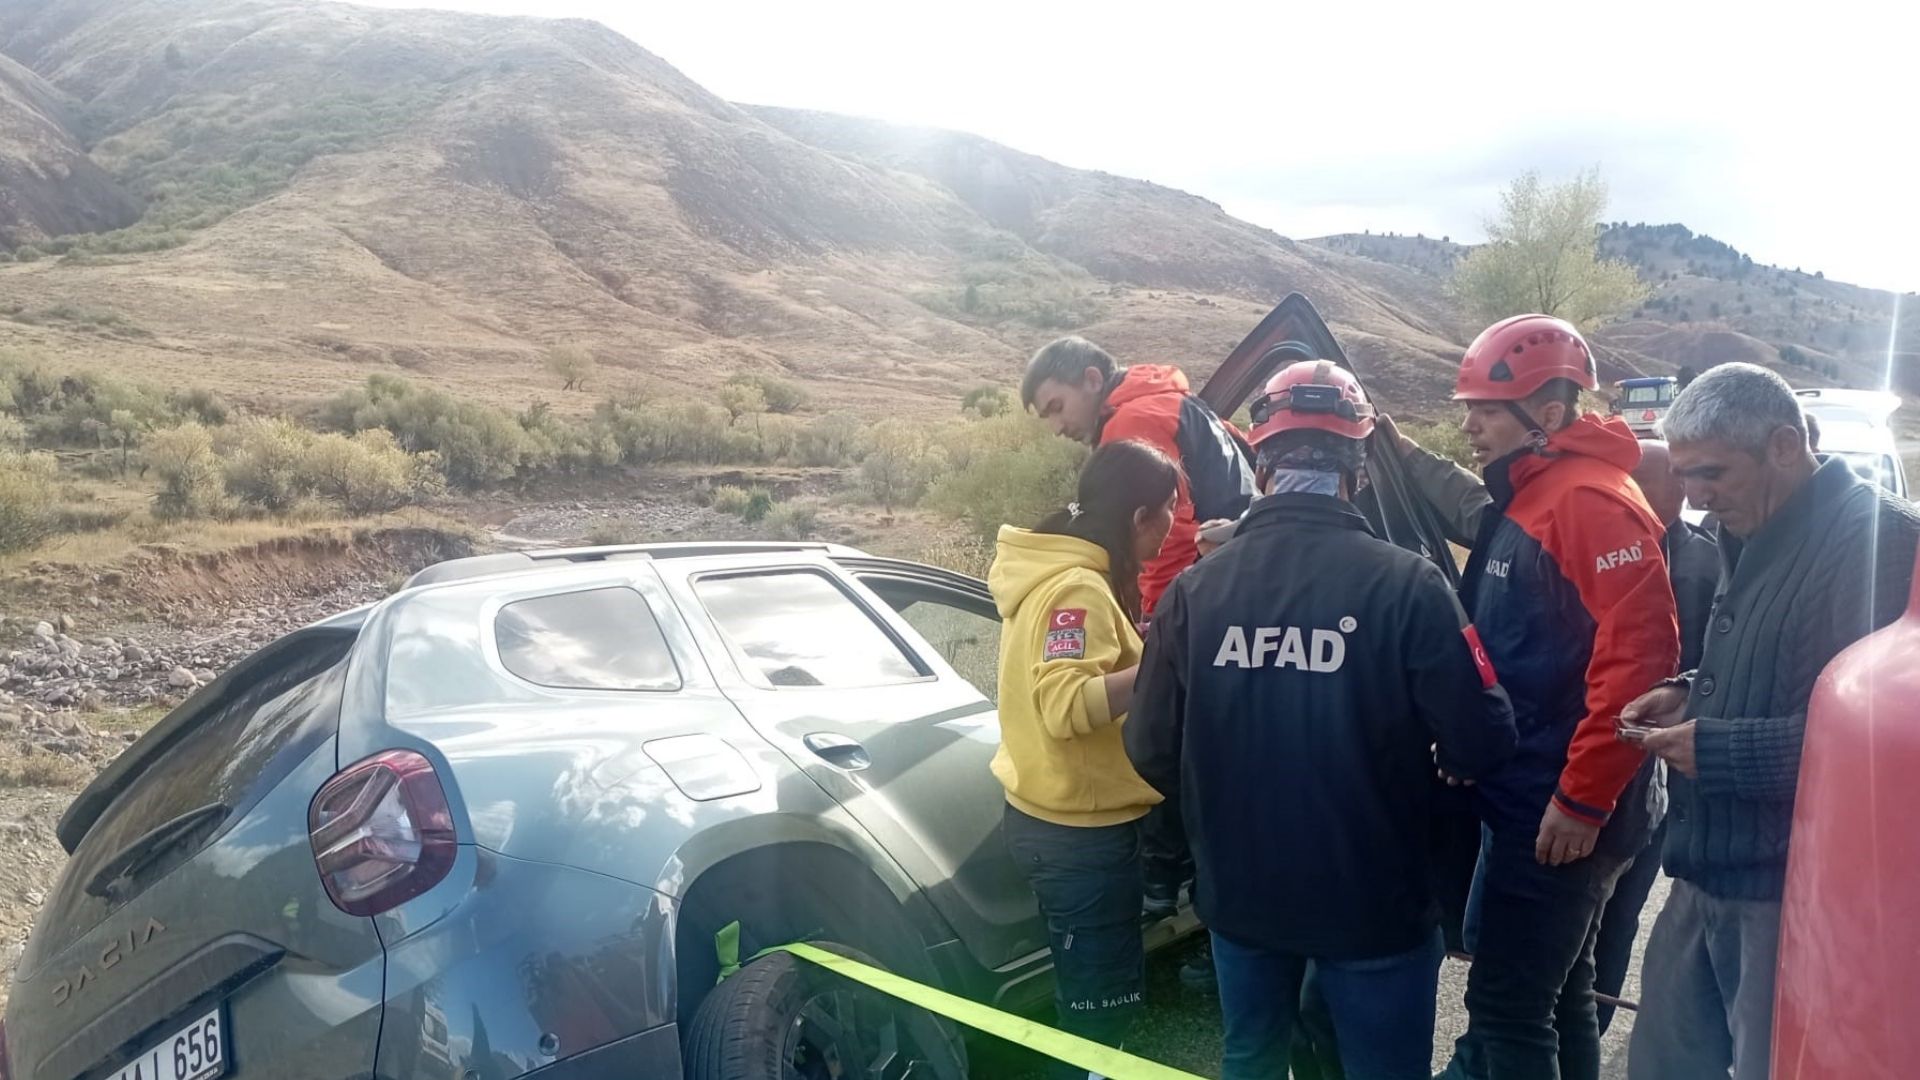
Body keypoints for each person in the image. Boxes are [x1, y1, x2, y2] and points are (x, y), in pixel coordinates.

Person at [1125, 360, 1518, 1080]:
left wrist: (1217, 800)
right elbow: (1483, 737)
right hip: (1375, 901)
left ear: (1261, 462)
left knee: (1251, 1057)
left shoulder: (1194, 591)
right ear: (1359, 465)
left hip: (1243, 896)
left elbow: (1149, 748)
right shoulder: (1409, 584)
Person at [1390, 314, 1680, 1080]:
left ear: (1546, 416)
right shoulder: (1538, 492)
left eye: (1485, 410)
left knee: (1510, 1009)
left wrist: (1580, 800)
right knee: (1562, 996)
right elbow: (1519, 647)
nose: (1470, 426)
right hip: (1537, 788)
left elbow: (1639, 658)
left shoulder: (1587, 501)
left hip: (1562, 805)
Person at [1622, 363, 1920, 1080]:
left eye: (1712, 473)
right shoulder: (1756, 521)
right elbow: (1782, 664)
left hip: (1788, 900)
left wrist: (1719, 752)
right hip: (1703, 874)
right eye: (1686, 474)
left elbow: (1880, 745)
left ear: (1785, 445)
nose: (1693, 496)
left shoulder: (1884, 543)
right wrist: (1690, 690)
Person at [1022, 336, 1256, 937]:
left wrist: (1151, 621)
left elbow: (1167, 535)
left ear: (1092, 379)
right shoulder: (1171, 400)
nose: (1057, 425)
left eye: (1055, 406)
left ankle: (1172, 890)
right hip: (1234, 591)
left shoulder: (1134, 420)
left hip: (1201, 598)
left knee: (1174, 749)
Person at [988, 439, 1181, 1077]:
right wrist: (1163, 661)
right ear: (1137, 517)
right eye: (1169, 513)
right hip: (1080, 837)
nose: (1173, 529)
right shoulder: (1079, 588)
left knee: (1085, 990)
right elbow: (1065, 706)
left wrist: (1138, 645)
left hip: (1049, 820)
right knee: (1099, 1013)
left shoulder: (1055, 574)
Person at [1591, 440, 1719, 1035]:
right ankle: (1585, 1021)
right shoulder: (1700, 557)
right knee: (1608, 916)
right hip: (1631, 768)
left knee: (1609, 916)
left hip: (1636, 768)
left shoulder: (1695, 563)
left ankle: (1585, 1022)